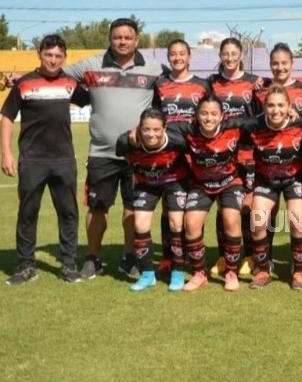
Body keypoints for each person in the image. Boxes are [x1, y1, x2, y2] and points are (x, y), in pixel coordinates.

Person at [53, 18, 163, 280]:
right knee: (97, 208)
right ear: (110, 39)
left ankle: (129, 256)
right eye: (117, 37)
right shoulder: (91, 65)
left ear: (137, 40)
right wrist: (82, 97)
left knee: (134, 207)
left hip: (139, 154)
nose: (122, 42)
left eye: (127, 37)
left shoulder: (154, 68)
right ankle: (93, 258)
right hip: (102, 152)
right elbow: (58, 75)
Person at [2, 34, 89, 285]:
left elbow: (93, 100)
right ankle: (26, 265)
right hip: (31, 161)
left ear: (65, 57)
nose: (53, 60)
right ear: (39, 54)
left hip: (64, 161)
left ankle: (69, 264)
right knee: (27, 213)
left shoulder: (70, 83)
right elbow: (7, 117)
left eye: (58, 56)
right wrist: (6, 153)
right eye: (48, 54)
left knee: (68, 213)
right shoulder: (25, 83)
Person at [170, 94, 248, 292]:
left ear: (222, 116)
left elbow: (259, 123)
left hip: (230, 181)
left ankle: (231, 272)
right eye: (204, 113)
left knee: (231, 219)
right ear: (196, 115)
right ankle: (199, 273)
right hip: (201, 184)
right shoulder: (187, 131)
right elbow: (162, 126)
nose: (209, 118)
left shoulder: (234, 127)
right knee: (191, 223)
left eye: (214, 114)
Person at [151, 39, 210, 274]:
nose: (177, 58)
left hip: (195, 153)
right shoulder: (160, 84)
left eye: (182, 54)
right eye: (173, 54)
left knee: (193, 208)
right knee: (169, 208)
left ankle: (193, 252)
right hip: (168, 155)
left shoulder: (203, 85)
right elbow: (154, 116)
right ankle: (169, 256)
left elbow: (211, 113)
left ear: (189, 56)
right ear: (168, 57)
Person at [116, 108, 189, 292]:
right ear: (139, 128)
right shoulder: (127, 141)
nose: (151, 134)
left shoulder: (177, 141)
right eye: (146, 129)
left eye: (156, 129)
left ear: (164, 128)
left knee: (176, 225)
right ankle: (147, 275)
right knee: (140, 226)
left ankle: (178, 272)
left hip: (174, 182)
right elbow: (121, 153)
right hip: (146, 183)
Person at [208, 38, 262, 278]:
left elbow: (265, 112)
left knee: (247, 206)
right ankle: (224, 255)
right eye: (225, 54)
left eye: (234, 54)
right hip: (221, 153)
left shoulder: (254, 82)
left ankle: (249, 256)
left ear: (241, 55)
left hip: (248, 152)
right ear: (220, 56)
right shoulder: (211, 83)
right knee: (223, 205)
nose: (229, 58)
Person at [246, 84, 302, 290]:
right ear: (264, 107)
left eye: (281, 105)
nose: (276, 110)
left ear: (289, 106)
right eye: (271, 105)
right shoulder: (253, 126)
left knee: (297, 220)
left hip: (294, 179)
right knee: (257, 222)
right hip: (266, 180)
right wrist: (247, 188)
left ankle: (299, 270)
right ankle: (264, 269)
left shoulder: (301, 125)